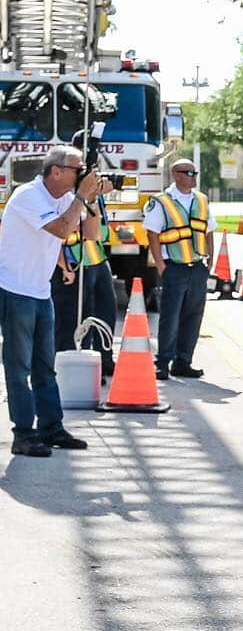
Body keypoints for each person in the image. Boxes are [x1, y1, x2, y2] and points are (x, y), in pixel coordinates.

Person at [0, 145, 99, 456]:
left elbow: (91, 234)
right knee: (19, 366)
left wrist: (92, 200)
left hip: (40, 291)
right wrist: (82, 197)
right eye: (77, 170)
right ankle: (24, 433)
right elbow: (60, 228)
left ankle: (52, 427)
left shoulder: (65, 198)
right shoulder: (28, 196)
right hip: (15, 290)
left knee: (45, 365)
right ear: (55, 171)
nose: (81, 175)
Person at [143, 158, 215, 379]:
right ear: (176, 175)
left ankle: (183, 361)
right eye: (189, 172)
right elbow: (152, 234)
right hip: (174, 267)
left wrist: (210, 260)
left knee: (193, 316)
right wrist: (161, 265)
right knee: (170, 316)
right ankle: (163, 362)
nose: (193, 177)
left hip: (197, 267)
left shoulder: (201, 200)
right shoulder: (162, 201)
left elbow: (209, 231)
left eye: (195, 173)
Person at [52, 177, 117, 379]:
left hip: (96, 260)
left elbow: (95, 234)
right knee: (74, 320)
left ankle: (102, 361)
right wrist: (63, 266)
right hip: (73, 264)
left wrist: (93, 198)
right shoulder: (63, 198)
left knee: (105, 312)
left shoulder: (89, 198)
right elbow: (53, 238)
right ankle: (72, 365)